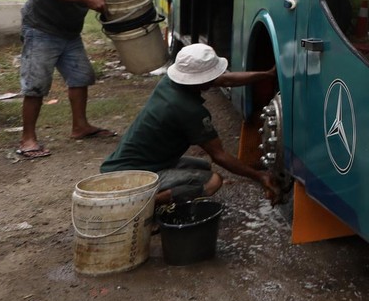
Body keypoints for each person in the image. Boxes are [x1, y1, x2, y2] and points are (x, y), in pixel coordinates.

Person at [101, 43, 281, 206]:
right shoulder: (188, 110)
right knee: (213, 181)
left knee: (201, 167)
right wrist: (260, 176)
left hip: (127, 165)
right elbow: (219, 156)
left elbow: (226, 80)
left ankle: (148, 196)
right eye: (212, 76)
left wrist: (267, 74)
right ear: (199, 80)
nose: (216, 78)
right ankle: (143, 205)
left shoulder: (170, 83)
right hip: (132, 178)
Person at [16, 0, 127, 159]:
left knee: (80, 77)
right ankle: (27, 140)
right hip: (41, 27)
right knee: (36, 85)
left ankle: (80, 127)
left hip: (69, 31)